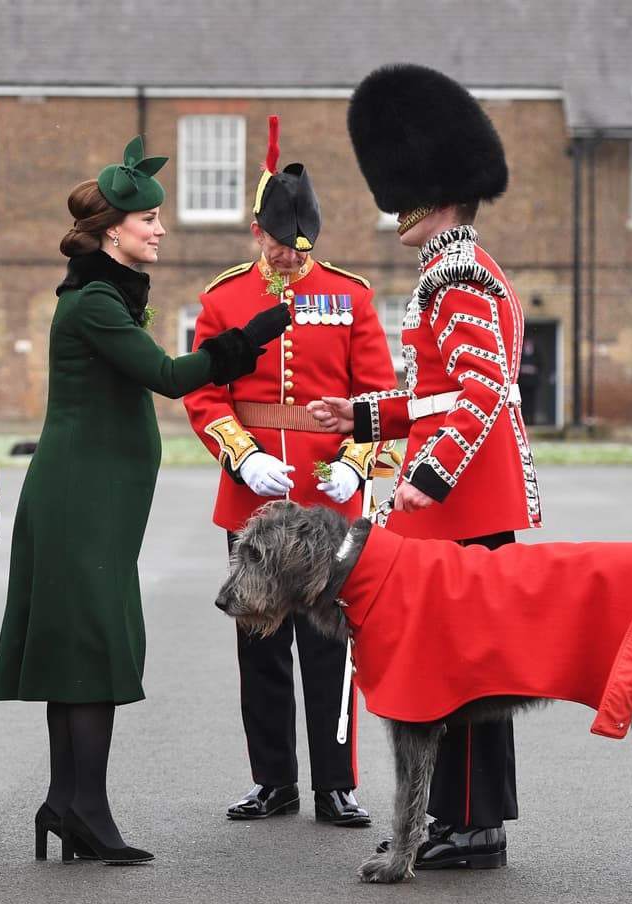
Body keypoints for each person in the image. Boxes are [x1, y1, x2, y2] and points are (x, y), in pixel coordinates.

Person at [0, 136, 290, 865]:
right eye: (148, 219)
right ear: (113, 230)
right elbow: (168, 373)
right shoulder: (94, 302)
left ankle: (67, 803)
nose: (160, 228)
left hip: (98, 500)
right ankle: (83, 808)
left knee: (85, 647)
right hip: (80, 501)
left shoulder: (105, 295)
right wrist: (243, 338)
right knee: (91, 646)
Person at [310, 62, 542, 870]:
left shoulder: (462, 277)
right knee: (448, 662)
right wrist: (364, 414)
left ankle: (474, 825)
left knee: (471, 664)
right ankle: (453, 815)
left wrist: (429, 477)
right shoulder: (441, 274)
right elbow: (435, 395)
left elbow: (483, 395)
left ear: (435, 192)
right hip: (453, 501)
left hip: (464, 503)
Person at [183, 116, 396, 828]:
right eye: (276, 245)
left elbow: (376, 396)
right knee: (260, 645)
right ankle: (273, 779)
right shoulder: (223, 298)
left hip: (327, 503)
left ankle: (336, 782)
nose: (285, 259)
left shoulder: (352, 296)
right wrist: (243, 453)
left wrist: (356, 464)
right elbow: (206, 392)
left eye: (297, 249)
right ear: (256, 230)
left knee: (330, 646)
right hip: (254, 499)